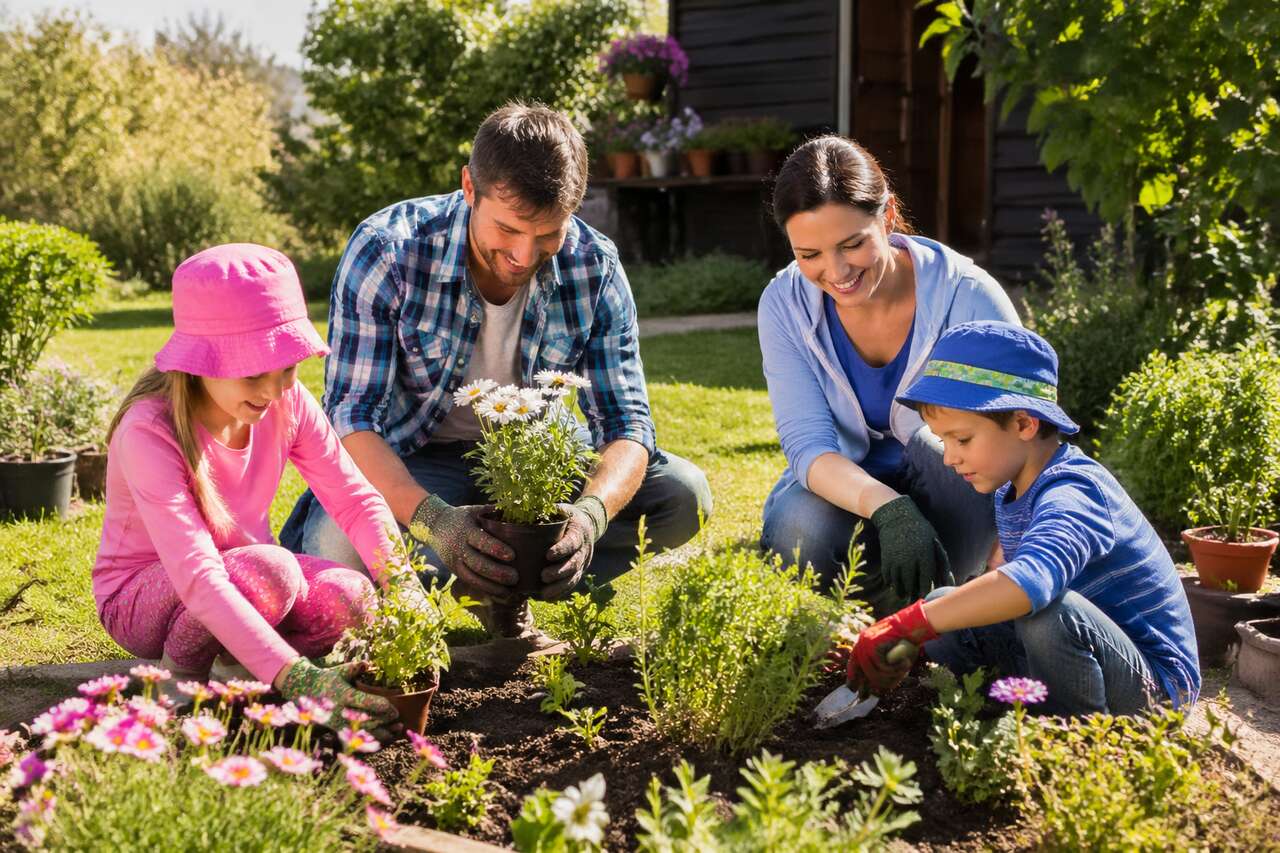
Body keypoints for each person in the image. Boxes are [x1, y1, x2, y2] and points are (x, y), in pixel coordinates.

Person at [280, 102, 711, 646]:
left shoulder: (594, 265)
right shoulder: (388, 251)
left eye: (547, 234)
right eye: (507, 228)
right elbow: (350, 419)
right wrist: (437, 522)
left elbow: (626, 423)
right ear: (468, 187)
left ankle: (511, 582)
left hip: (533, 460)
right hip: (414, 457)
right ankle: (478, 584)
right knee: (334, 545)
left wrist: (587, 520)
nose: (523, 254)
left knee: (681, 496)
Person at [94, 243, 425, 725]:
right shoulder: (149, 430)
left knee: (352, 597)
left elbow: (353, 500)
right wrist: (298, 677)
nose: (273, 391)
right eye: (253, 374)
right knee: (269, 571)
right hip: (145, 597)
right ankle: (180, 682)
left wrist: (403, 581)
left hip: (248, 578)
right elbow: (197, 574)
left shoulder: (286, 403)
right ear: (202, 362)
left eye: (288, 368)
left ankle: (244, 657)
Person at [846, 321, 1200, 716]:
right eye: (944, 440)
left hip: (1153, 689)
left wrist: (907, 624)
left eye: (961, 439)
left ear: (1024, 424)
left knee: (1046, 613)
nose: (949, 457)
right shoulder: (1012, 489)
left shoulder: (1074, 493)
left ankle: (1071, 742)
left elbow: (1030, 584)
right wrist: (918, 631)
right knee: (944, 603)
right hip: (1083, 658)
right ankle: (974, 710)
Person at [758, 135, 1020, 614]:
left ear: (888, 215)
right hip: (852, 486)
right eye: (809, 254)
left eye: (852, 244)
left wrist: (1018, 549)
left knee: (932, 442)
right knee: (800, 529)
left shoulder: (968, 297)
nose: (836, 272)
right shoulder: (784, 305)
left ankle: (949, 605)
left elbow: (1021, 434)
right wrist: (888, 508)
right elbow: (808, 447)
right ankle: (880, 616)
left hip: (957, 490)